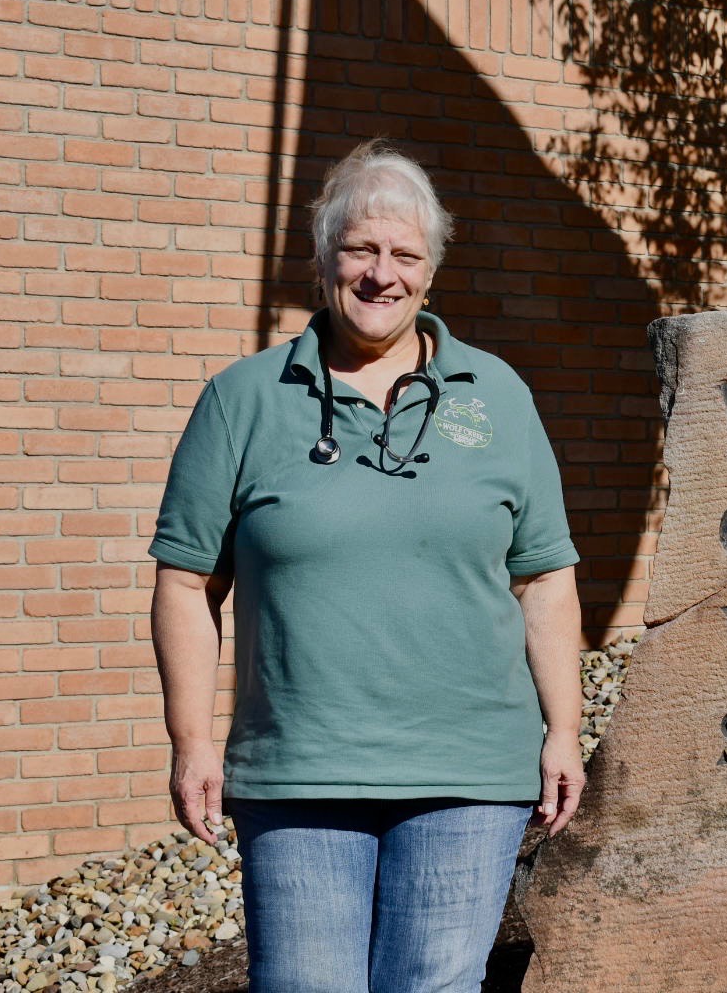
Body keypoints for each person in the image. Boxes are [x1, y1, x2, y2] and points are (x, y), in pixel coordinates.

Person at [149, 139, 586, 991]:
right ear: (322, 260)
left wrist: (563, 730)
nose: (381, 273)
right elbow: (186, 582)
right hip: (301, 772)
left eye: (404, 255)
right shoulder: (242, 400)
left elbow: (544, 576)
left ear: (430, 272)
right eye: (361, 249)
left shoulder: (497, 395)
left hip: (468, 772)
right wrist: (190, 739)